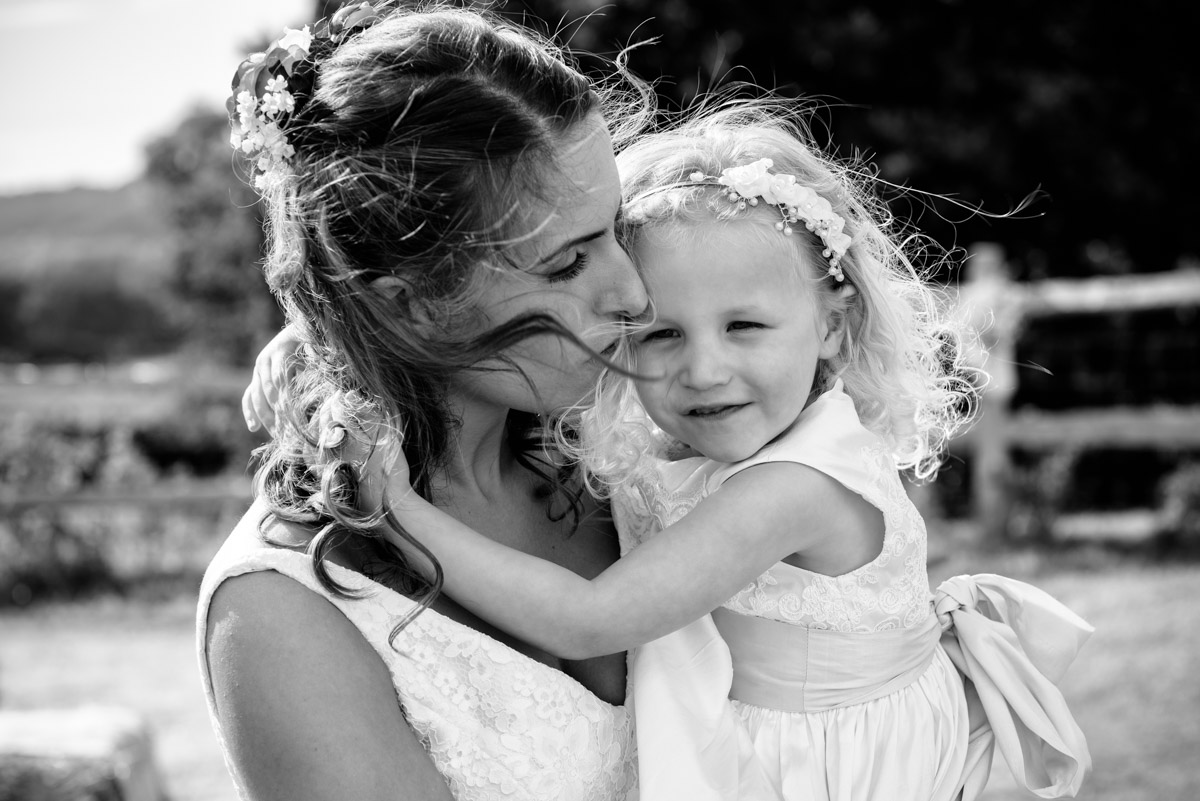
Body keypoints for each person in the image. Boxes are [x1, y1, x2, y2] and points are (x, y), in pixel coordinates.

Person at [339, 101, 1095, 801]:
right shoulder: (743, 441)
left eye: (745, 327)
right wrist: (335, 343)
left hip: (830, 772)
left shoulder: (797, 487)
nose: (703, 370)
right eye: (663, 334)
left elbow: (591, 620)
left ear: (832, 325)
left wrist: (399, 509)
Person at [198, 3, 656, 800]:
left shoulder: (633, 438)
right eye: (567, 264)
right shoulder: (280, 614)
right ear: (408, 304)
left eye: (619, 227)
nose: (636, 292)